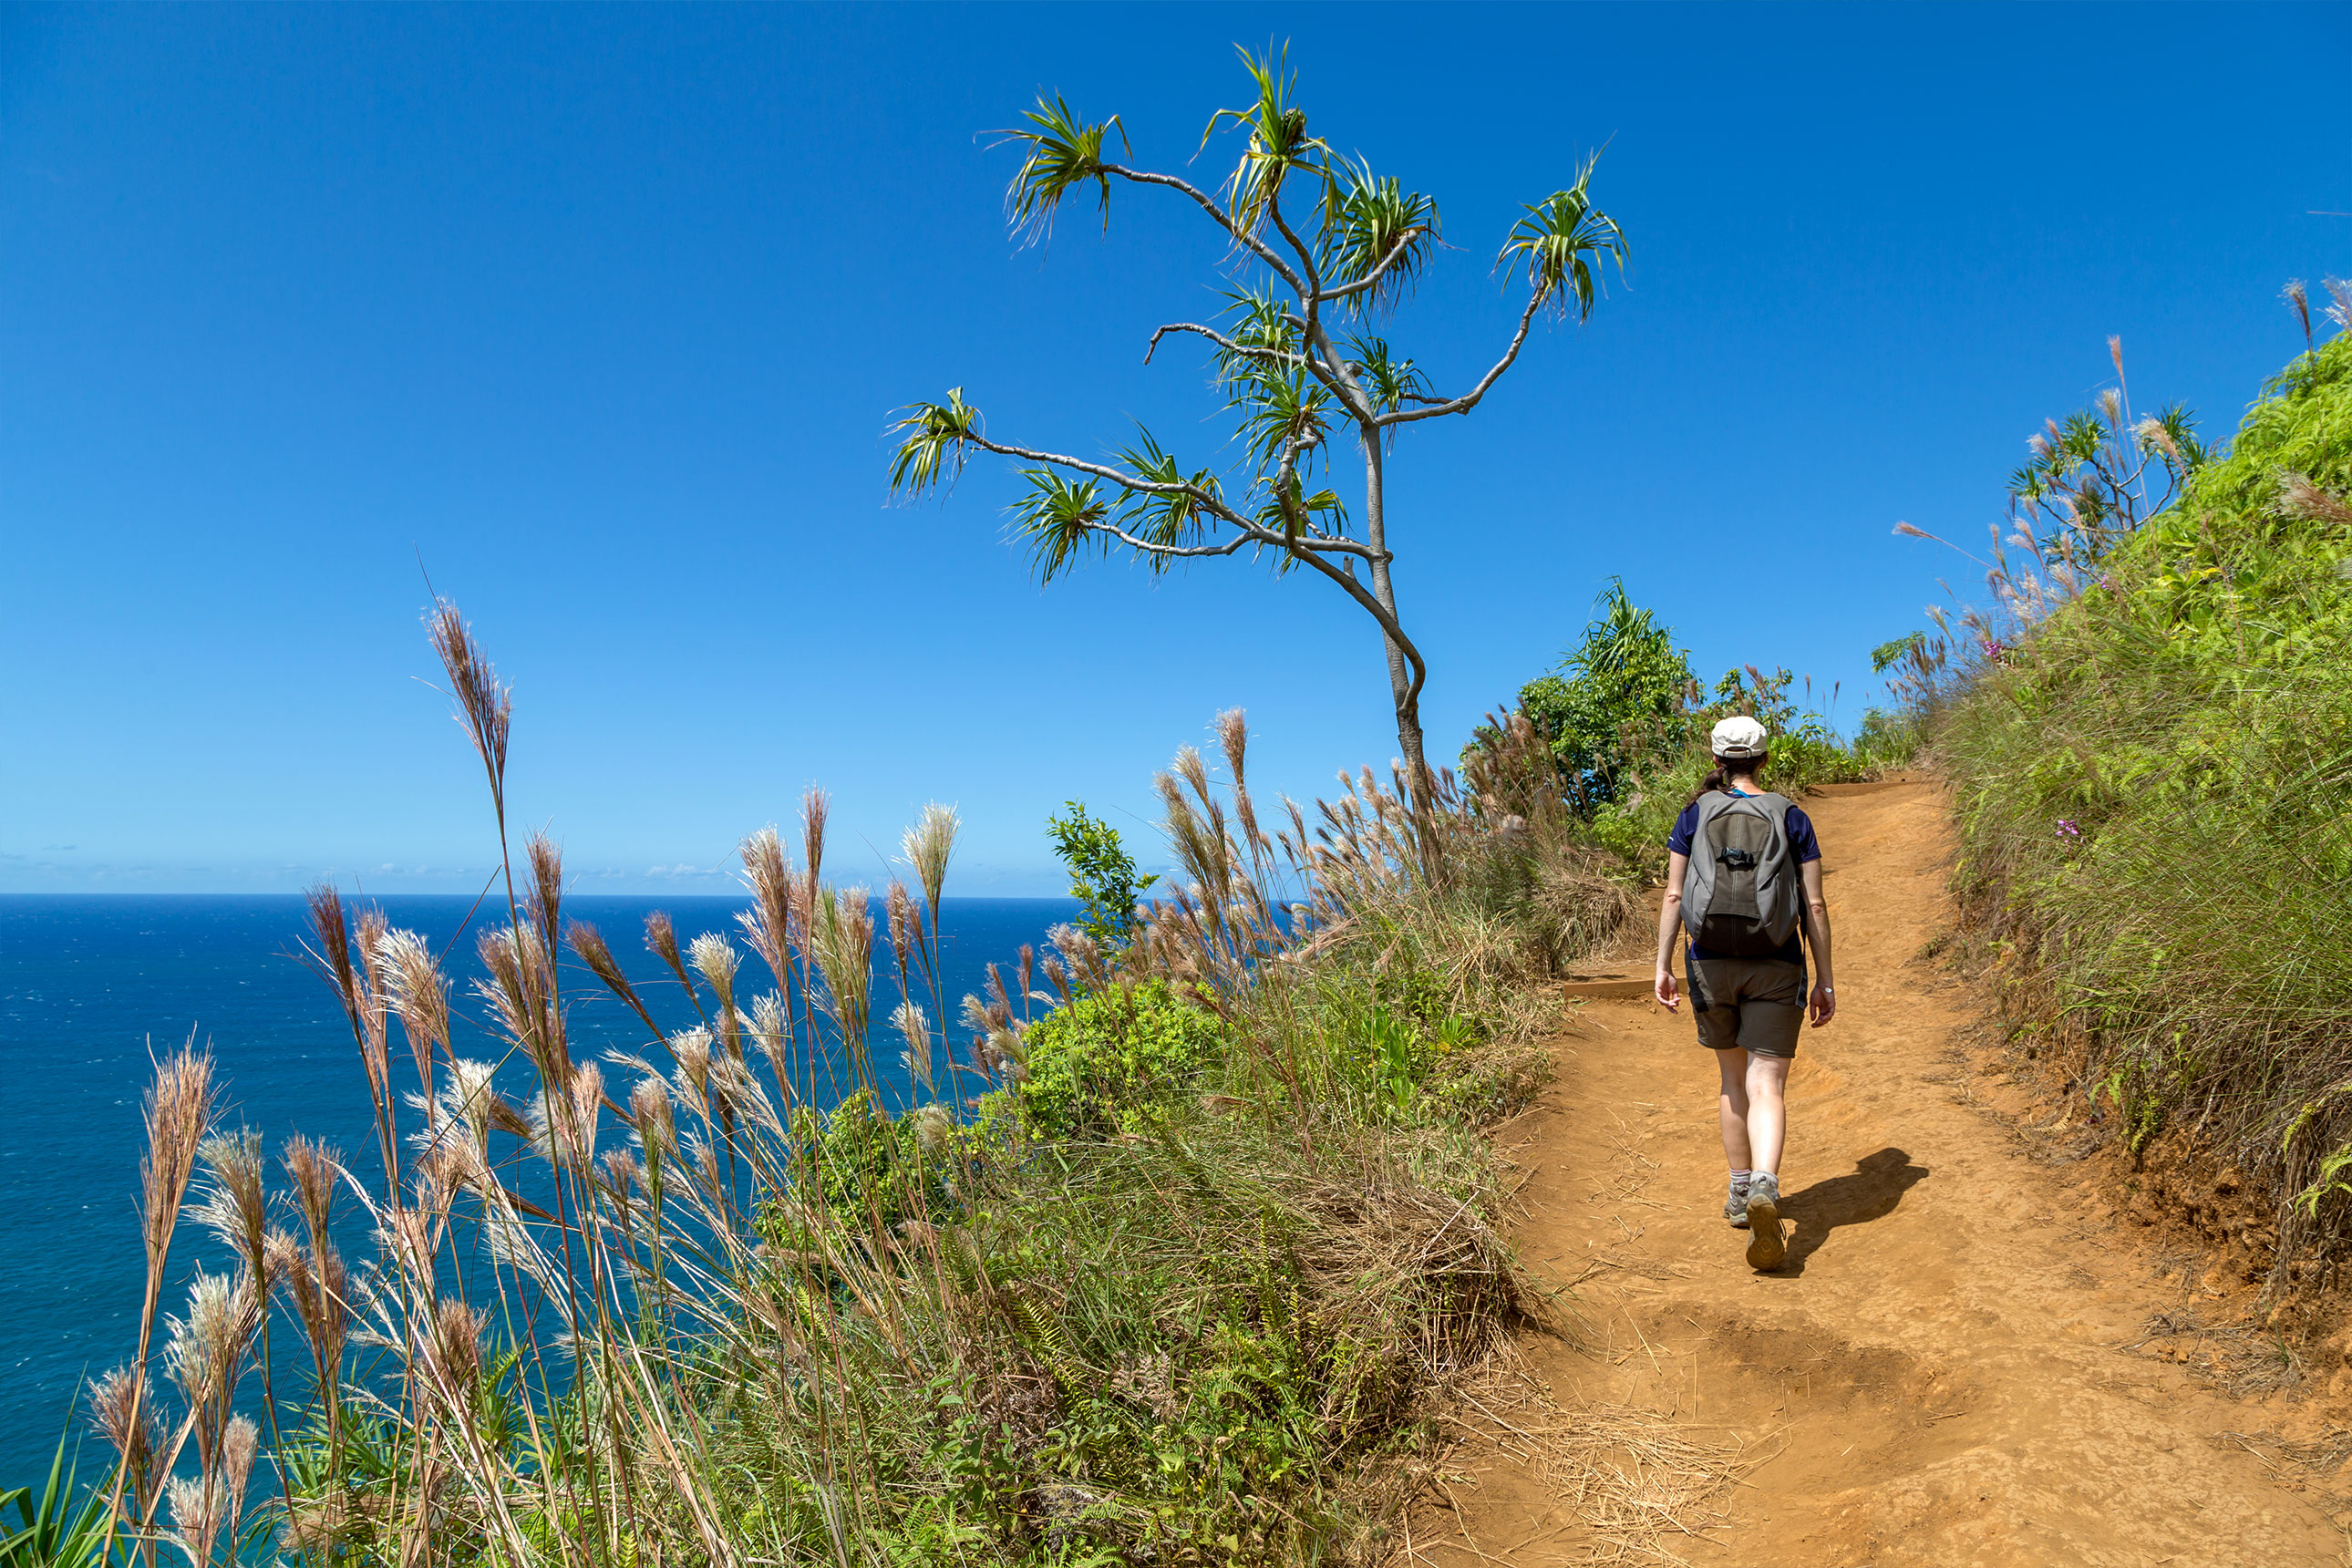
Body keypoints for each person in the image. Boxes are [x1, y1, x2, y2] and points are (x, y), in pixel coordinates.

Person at [1651, 716, 1836, 1271]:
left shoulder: (1693, 814)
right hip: (1776, 960)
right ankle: (1765, 1184)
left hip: (1709, 962)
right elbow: (1815, 905)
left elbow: (1673, 896)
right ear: (1763, 758)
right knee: (1767, 1082)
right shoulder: (1791, 815)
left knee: (1733, 1079)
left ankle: (1738, 1192)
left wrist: (1663, 966)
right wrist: (1825, 978)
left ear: (1716, 758)